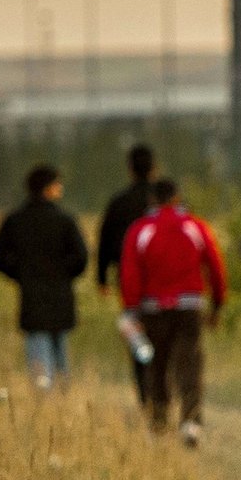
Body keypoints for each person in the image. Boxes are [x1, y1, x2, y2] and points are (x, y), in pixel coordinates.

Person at [118, 178, 228, 446]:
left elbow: (130, 273)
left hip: (153, 308)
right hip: (190, 306)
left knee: (156, 364)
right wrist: (217, 304)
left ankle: (159, 421)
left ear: (152, 200)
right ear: (177, 198)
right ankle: (190, 422)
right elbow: (215, 266)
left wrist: (131, 309)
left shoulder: (140, 229)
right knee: (189, 362)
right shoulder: (195, 226)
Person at [0, 163, 89, 389]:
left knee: (37, 350)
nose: (59, 188)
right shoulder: (64, 219)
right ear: (47, 188)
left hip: (31, 294)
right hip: (60, 295)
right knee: (60, 350)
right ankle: (63, 395)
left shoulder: (16, 219)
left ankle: (43, 394)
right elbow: (81, 257)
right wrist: (64, 273)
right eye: (56, 184)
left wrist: (19, 273)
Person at [95, 144, 158, 402]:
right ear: (155, 168)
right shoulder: (165, 200)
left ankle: (146, 393)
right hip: (164, 283)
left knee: (139, 338)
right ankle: (163, 392)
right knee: (163, 338)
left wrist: (102, 277)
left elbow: (104, 241)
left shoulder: (118, 203)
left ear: (130, 169)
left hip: (130, 282)